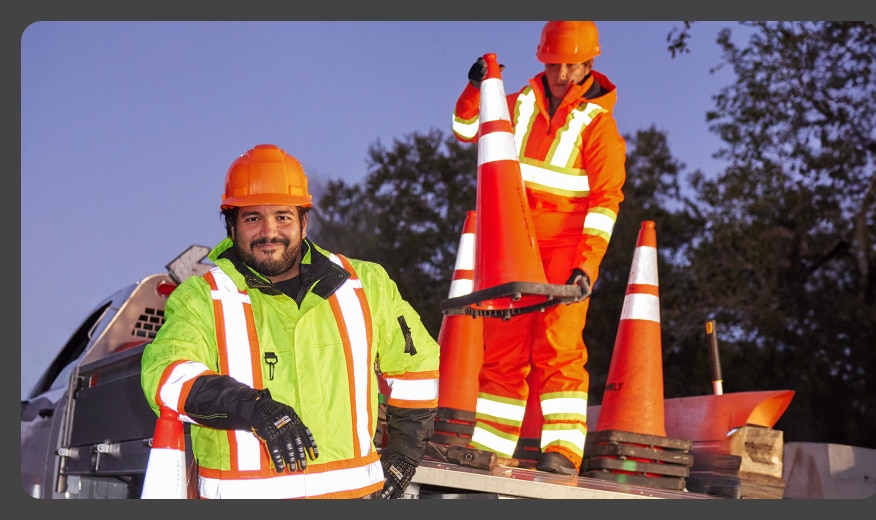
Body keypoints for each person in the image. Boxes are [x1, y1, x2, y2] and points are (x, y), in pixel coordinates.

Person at [140, 143, 440, 499]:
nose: (270, 232)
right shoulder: (202, 298)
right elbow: (165, 375)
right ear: (231, 226)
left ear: (303, 221)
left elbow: (417, 368)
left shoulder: (365, 284)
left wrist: (403, 454)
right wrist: (251, 406)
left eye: (282, 216)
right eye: (253, 218)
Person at [451, 21, 626, 475]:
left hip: (566, 253)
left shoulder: (599, 127)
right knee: (503, 351)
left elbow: (606, 203)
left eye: (572, 65)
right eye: (555, 64)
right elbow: (466, 129)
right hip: (512, 244)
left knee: (558, 349)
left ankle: (563, 452)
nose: (563, 74)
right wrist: (476, 89)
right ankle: (490, 449)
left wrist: (586, 266)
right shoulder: (518, 104)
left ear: (590, 65)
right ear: (543, 61)